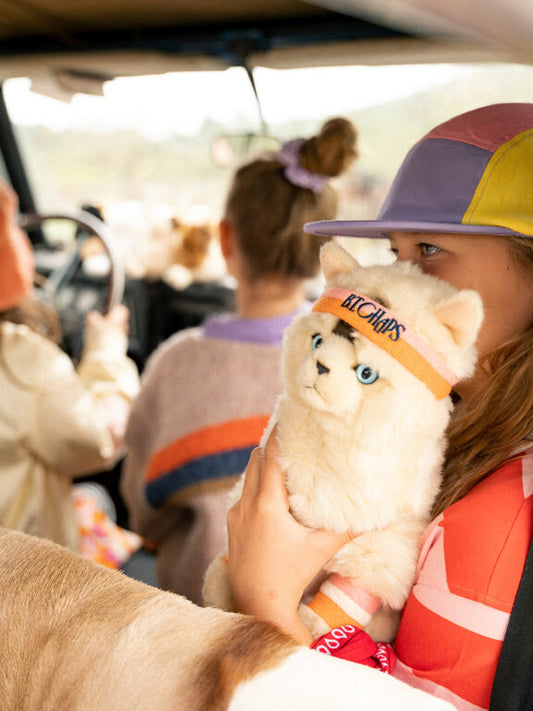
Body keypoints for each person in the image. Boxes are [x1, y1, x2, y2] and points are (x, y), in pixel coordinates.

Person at [224, 102, 533, 711]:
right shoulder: (433, 439)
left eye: (429, 250)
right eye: (395, 254)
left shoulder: (501, 517)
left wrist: (265, 602)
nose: (398, 286)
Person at [121, 117, 358, 604]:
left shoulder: (174, 365)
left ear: (226, 241)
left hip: (190, 619)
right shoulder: (353, 365)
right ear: (322, 251)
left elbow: (144, 514)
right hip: (311, 632)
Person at [0, 179, 143, 570]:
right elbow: (103, 437)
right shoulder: (21, 360)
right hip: (18, 592)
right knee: (98, 497)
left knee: (91, 497)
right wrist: (106, 350)